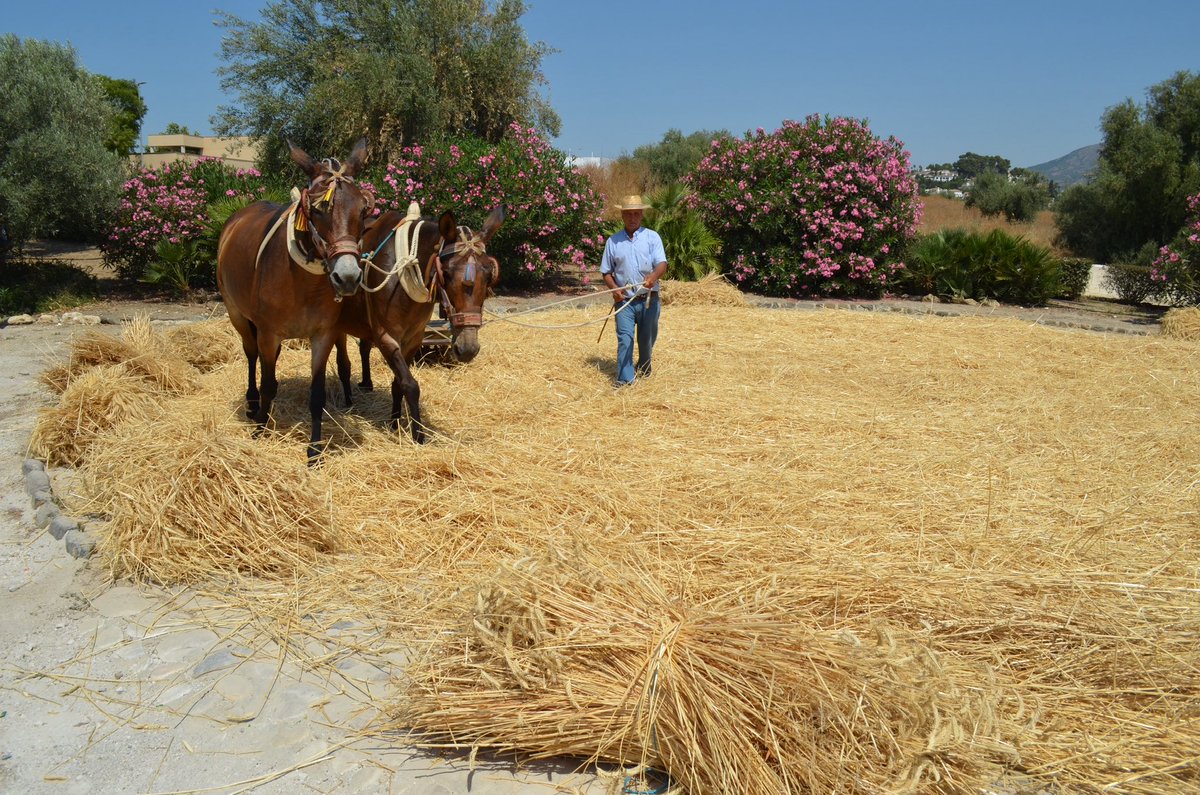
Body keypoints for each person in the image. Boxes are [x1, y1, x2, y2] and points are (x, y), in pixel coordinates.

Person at [599, 195, 668, 386]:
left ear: (641, 215)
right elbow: (606, 272)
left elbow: (662, 264)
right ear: (622, 215)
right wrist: (614, 289)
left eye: (636, 214)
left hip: (649, 300)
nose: (632, 218)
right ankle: (625, 380)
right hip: (624, 302)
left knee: (646, 341)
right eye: (629, 214)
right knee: (625, 340)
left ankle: (644, 367)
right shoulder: (613, 242)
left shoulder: (652, 237)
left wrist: (653, 277)